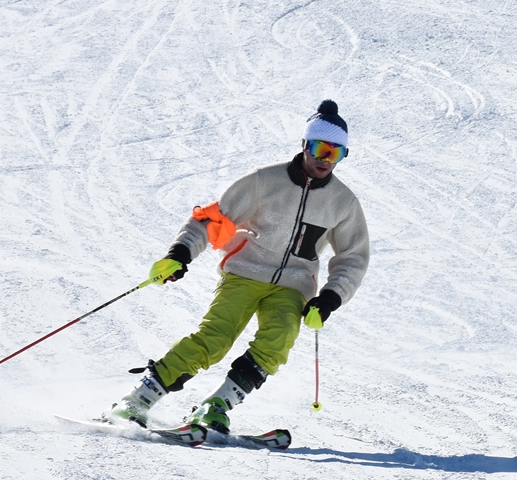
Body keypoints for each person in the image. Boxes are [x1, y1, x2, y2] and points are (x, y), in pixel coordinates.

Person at [107, 99, 369, 433]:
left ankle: (216, 406)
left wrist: (330, 297)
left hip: (293, 286)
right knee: (215, 337)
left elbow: (353, 257)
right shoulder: (264, 182)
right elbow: (213, 220)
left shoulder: (343, 203)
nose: (325, 160)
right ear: (305, 145)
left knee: (280, 337)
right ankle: (137, 399)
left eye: (336, 153)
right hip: (246, 272)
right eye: (319, 148)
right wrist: (180, 253)